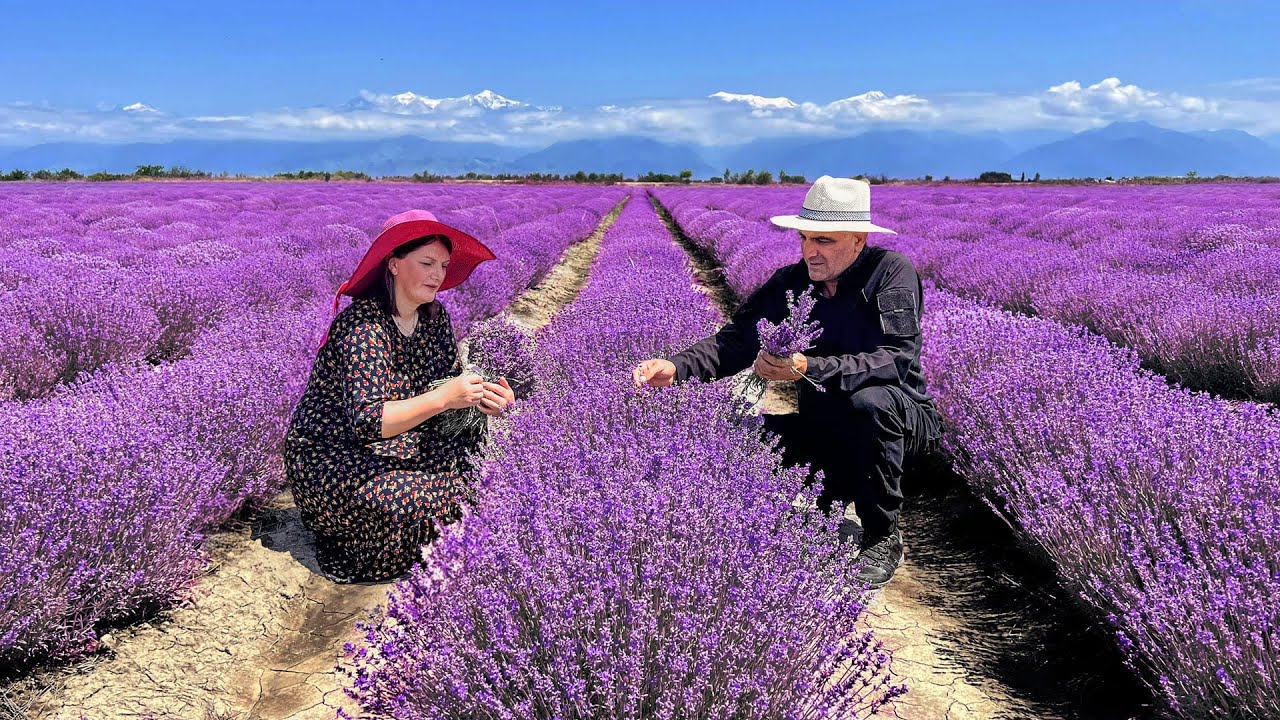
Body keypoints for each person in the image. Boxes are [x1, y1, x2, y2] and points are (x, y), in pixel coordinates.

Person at [633, 176, 942, 588]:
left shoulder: (890, 273)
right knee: (736, 439)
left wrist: (807, 368)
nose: (810, 250)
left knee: (869, 402)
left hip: (897, 423)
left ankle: (882, 533)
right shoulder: (792, 282)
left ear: (858, 240)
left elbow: (895, 359)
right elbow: (736, 341)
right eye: (805, 238)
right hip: (826, 423)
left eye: (825, 241)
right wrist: (676, 367)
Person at [285, 209, 514, 583]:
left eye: (443, 264)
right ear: (393, 265)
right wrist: (443, 398)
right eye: (426, 263)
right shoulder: (364, 327)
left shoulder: (434, 317)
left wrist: (486, 399)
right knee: (416, 503)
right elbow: (372, 422)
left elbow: (448, 387)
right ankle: (347, 532)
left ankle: (441, 520)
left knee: (476, 454)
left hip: (399, 442)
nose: (438, 274)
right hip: (335, 455)